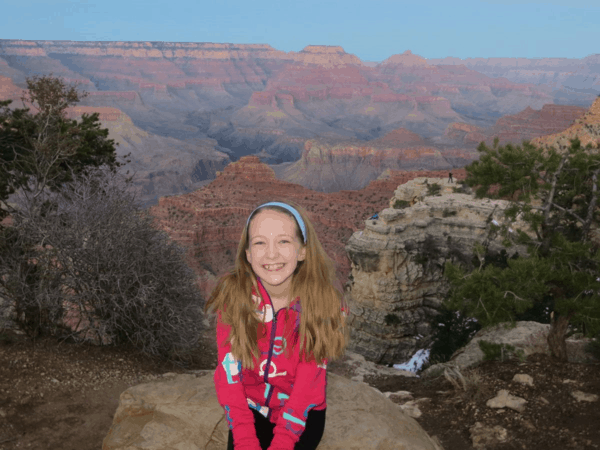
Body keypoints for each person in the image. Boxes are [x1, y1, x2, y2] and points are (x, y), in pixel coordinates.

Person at [204, 200, 350, 450]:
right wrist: (244, 437)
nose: (271, 254)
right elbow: (228, 374)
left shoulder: (322, 304)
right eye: (260, 242)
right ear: (248, 254)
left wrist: (282, 443)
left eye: (283, 241)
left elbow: (306, 387)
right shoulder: (235, 297)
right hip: (251, 409)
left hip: (302, 414)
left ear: (302, 250)